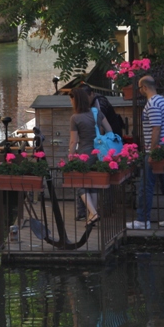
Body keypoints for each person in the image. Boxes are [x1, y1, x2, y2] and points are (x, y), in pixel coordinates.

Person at [128, 76, 164, 229]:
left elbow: (156, 129)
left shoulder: (152, 104)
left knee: (146, 185)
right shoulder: (162, 101)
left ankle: (142, 220)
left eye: (140, 88)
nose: (139, 91)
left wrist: (152, 152)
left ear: (144, 87)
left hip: (158, 151)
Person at [69, 86, 113, 225]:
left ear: (76, 100)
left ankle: (93, 213)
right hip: (99, 154)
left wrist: (70, 157)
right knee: (93, 183)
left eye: (71, 99)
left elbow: (74, 141)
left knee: (79, 183)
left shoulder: (75, 118)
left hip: (85, 154)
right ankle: (92, 217)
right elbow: (109, 131)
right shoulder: (97, 112)